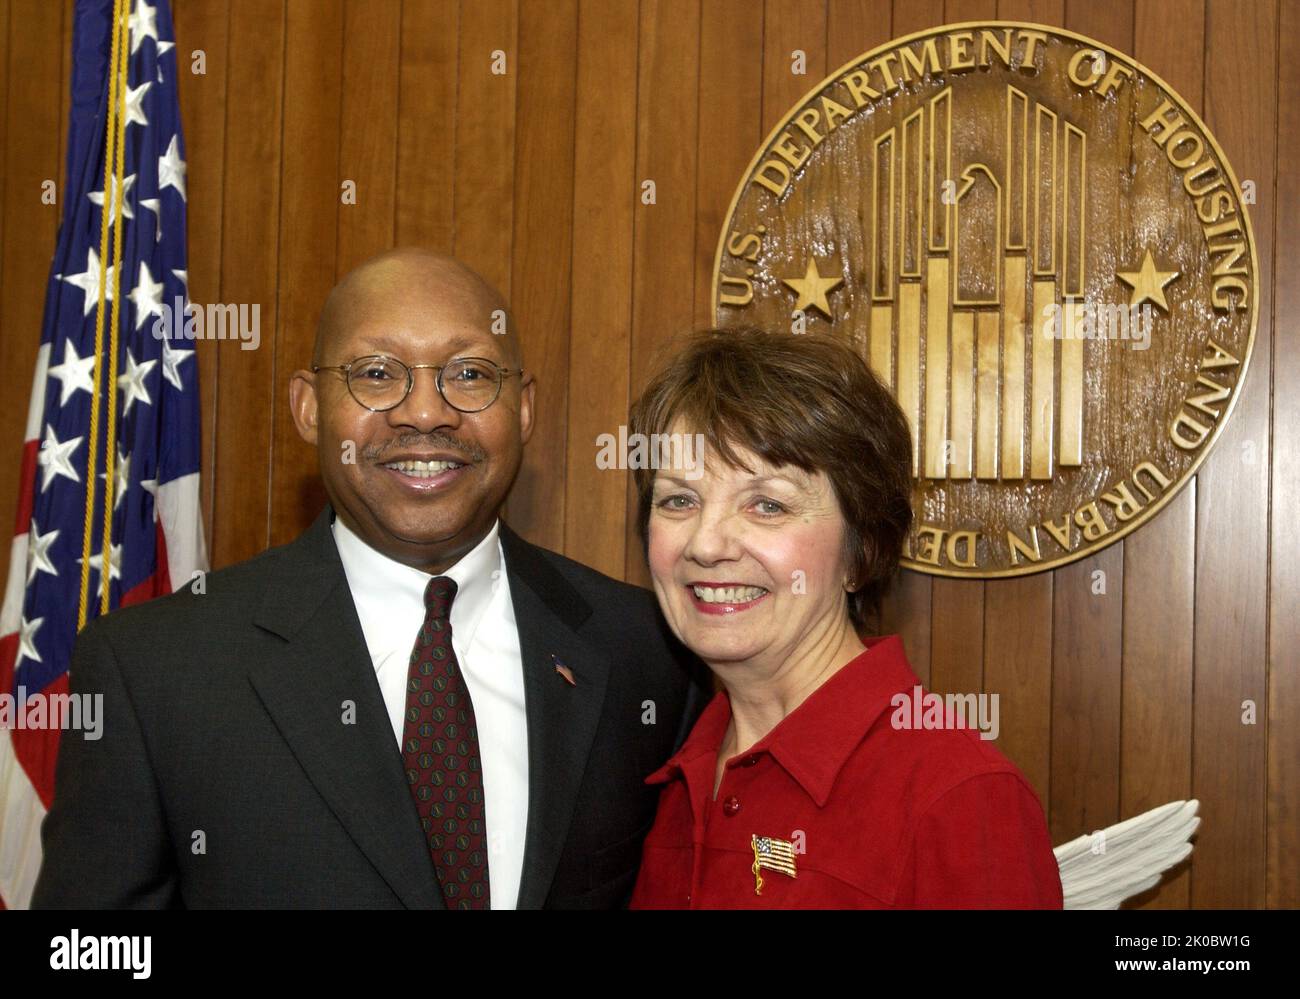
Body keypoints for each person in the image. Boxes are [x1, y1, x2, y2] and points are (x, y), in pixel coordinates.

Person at [32, 249, 708, 909]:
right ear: (308, 407)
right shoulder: (154, 667)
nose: (424, 412)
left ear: (523, 408)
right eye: (377, 373)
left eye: (469, 373)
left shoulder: (650, 652)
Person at [625, 327, 1063, 909]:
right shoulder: (673, 771)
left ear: (861, 550)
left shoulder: (958, 796)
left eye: (768, 505)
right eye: (679, 499)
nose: (706, 544)